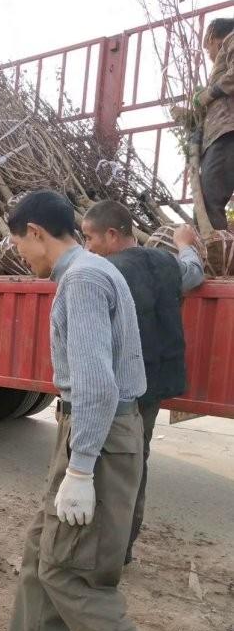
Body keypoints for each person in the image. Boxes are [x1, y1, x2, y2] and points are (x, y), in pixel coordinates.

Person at [0, 190, 185, 631]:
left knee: (71, 571)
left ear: (36, 232)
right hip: (92, 429)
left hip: (96, 435)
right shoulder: (94, 272)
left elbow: (97, 384)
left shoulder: (82, 281)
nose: (20, 255)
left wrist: (80, 470)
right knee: (42, 547)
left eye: (18, 243)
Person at [82, 201, 205, 564]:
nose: (87, 247)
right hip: (153, 385)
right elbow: (193, 273)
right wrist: (184, 244)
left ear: (112, 235)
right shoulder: (166, 263)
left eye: (90, 238)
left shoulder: (106, 271)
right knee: (137, 462)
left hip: (117, 389)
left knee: (104, 464)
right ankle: (123, 548)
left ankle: (99, 550)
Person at [194, 18, 234, 230]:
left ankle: (213, 250)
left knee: (207, 205)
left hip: (227, 133)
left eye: (207, 47)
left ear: (211, 37)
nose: (209, 55)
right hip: (224, 133)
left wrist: (208, 94)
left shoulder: (231, 40)